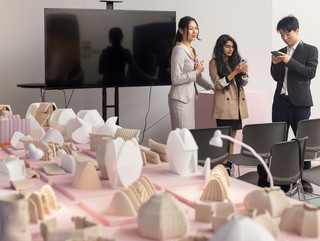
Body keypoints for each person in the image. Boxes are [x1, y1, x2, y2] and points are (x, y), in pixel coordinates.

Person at [271, 15, 318, 193]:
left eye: (287, 33)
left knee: (301, 142)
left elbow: (310, 72)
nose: (284, 37)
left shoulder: (311, 50)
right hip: (280, 102)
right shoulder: (281, 50)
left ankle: (304, 179)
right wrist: (274, 64)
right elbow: (277, 77)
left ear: (297, 31)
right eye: (281, 34)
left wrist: (290, 61)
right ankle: (280, 178)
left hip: (300, 103)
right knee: (279, 141)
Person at [168, 16, 214, 130]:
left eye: (196, 28)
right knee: (182, 137)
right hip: (179, 100)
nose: (195, 32)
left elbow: (197, 78)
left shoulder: (192, 50)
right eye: (191, 28)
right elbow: (175, 78)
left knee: (189, 136)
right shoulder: (178, 50)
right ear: (181, 30)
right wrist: (196, 70)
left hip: (189, 99)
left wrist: (212, 87)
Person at [209, 34, 249, 154]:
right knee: (222, 140)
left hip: (236, 107)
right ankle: (222, 164)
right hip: (225, 107)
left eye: (232, 47)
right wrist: (235, 71)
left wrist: (243, 73)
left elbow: (245, 83)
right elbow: (218, 85)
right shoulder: (214, 63)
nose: (230, 49)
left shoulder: (235, 61)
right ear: (220, 47)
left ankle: (229, 165)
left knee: (232, 140)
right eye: (227, 46)